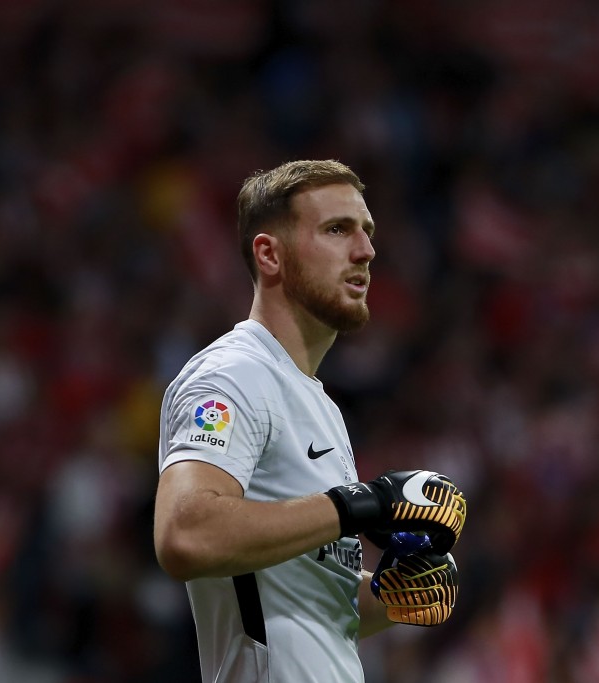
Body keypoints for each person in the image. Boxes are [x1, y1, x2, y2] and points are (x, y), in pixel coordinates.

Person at [153, 159, 467, 682]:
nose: (366, 250)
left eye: (366, 231)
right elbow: (184, 533)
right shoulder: (234, 373)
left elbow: (305, 601)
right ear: (269, 254)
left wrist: (388, 592)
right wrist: (359, 503)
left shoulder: (317, 404)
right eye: (337, 229)